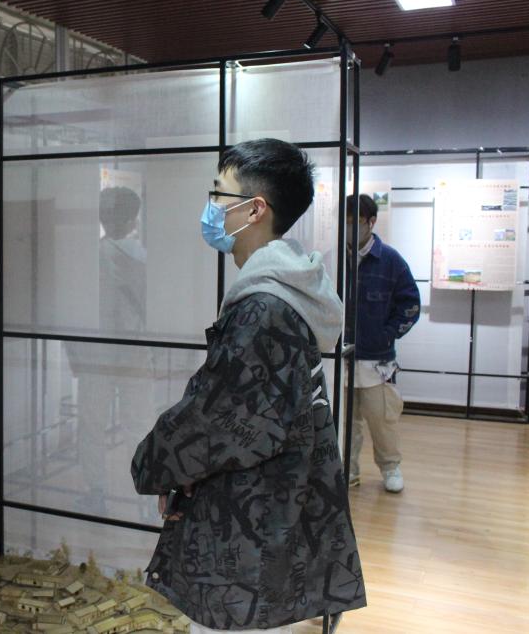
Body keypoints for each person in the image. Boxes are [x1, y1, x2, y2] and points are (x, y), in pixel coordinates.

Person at [130, 139, 366, 633]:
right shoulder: (284, 293)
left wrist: (155, 464)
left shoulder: (264, 309)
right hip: (271, 516)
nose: (211, 207)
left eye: (219, 194)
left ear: (255, 209)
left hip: (250, 533)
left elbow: (215, 419)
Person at [66, 186, 153, 518]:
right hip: (135, 353)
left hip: (95, 356)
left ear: (102, 218)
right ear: (133, 219)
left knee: (91, 426)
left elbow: (73, 311)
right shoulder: (145, 259)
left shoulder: (86, 259)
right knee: (139, 426)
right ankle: (147, 499)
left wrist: (74, 355)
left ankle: (97, 493)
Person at [346, 194, 420, 493]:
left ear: (371, 222)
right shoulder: (333, 258)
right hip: (342, 357)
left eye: (355, 223)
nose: (350, 229)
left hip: (377, 359)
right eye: (345, 223)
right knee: (345, 422)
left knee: (383, 419)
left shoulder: (390, 261)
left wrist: (388, 333)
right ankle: (347, 470)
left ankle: (390, 467)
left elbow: (410, 305)